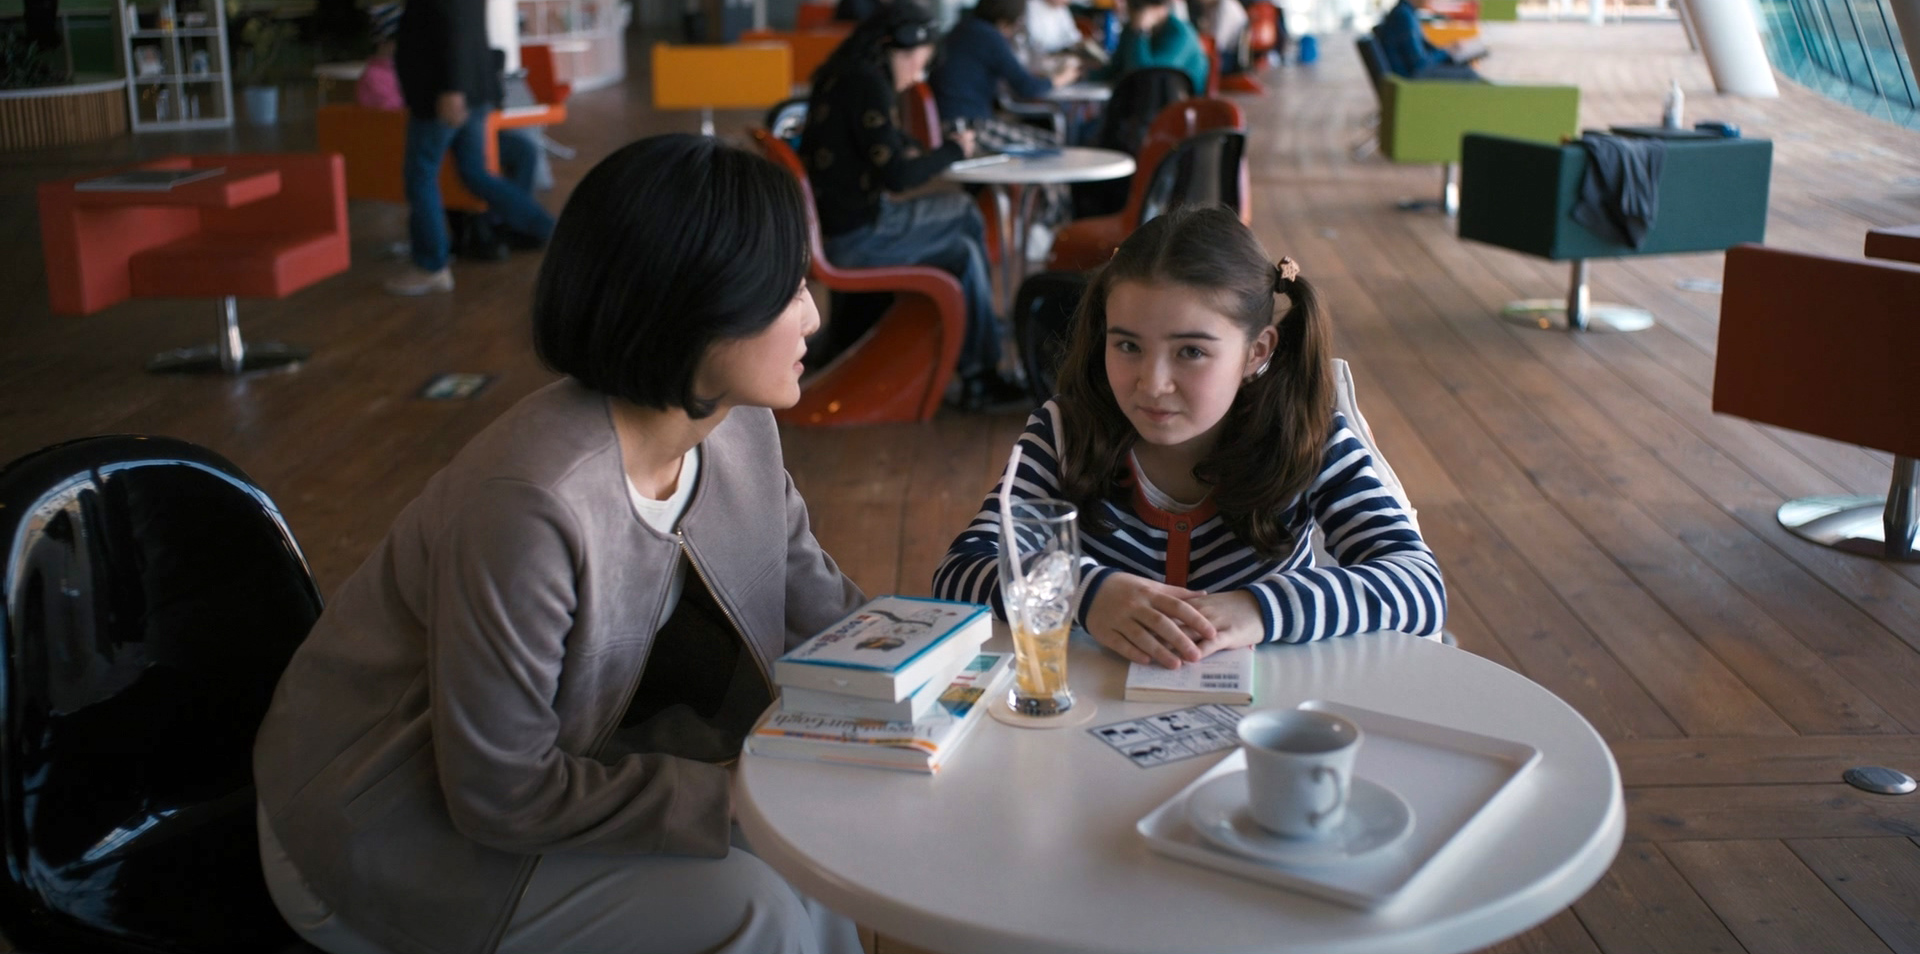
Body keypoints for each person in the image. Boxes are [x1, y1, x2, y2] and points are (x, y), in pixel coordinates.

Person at [253, 134, 867, 954]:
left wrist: (947, 676)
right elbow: (496, 788)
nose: (813, 315)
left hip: (578, 770)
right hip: (382, 824)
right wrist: (729, 793)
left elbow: (828, 613)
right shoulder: (531, 503)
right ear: (696, 307)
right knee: (751, 906)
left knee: (812, 862)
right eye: (786, 289)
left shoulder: (737, 428)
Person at [932, 207, 1446, 666]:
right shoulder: (1064, 431)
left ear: (1257, 352)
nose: (1152, 383)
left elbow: (1419, 585)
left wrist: (1257, 609)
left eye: (1191, 352)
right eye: (1128, 346)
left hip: (1270, 717)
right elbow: (960, 572)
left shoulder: (1309, 435)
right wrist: (1088, 595)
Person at [801, 0, 1026, 410]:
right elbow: (899, 177)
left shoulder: (842, 74)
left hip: (838, 226)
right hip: (857, 236)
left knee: (962, 229)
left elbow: (873, 143)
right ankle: (981, 370)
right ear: (901, 49)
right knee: (963, 234)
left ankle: (979, 345)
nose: (918, 74)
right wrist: (953, 151)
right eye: (919, 62)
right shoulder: (869, 85)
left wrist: (914, 146)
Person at [386, 0, 555, 295]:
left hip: (444, 95)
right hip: (467, 90)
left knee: (421, 177)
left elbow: (455, 28)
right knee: (475, 173)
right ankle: (547, 227)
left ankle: (430, 265)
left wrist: (453, 89)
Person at [929, 0, 1079, 143]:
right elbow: (1026, 87)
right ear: (1007, 17)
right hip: (966, 127)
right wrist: (1061, 78)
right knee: (1053, 144)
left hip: (946, 120)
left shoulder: (964, 27)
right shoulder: (989, 36)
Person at [1088, 0, 1210, 98]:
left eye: (1137, 7)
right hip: (1141, 105)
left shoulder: (1180, 34)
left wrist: (1140, 32)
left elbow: (1146, 78)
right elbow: (1115, 68)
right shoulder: (1131, 29)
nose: (1130, 12)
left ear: (1160, 8)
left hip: (1177, 107)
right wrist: (1084, 73)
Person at [1371, 0, 1480, 79]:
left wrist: (1448, 50)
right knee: (1469, 75)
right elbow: (1420, 64)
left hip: (1410, 72)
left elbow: (1425, 48)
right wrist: (1447, 51)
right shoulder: (1404, 16)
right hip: (1408, 79)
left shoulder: (1407, 12)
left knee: (1461, 65)